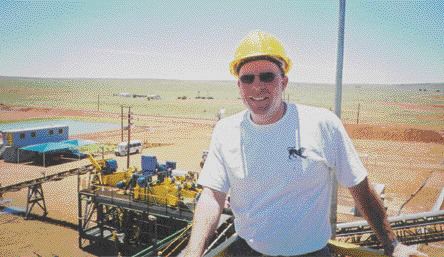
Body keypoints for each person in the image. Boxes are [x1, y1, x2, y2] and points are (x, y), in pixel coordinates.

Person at [185, 30, 427, 257]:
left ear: (284, 82)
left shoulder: (322, 124)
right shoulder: (225, 131)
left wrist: (392, 244)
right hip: (248, 249)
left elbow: (359, 186)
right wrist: (193, 252)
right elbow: (212, 196)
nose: (257, 86)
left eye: (267, 76)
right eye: (247, 78)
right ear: (239, 86)